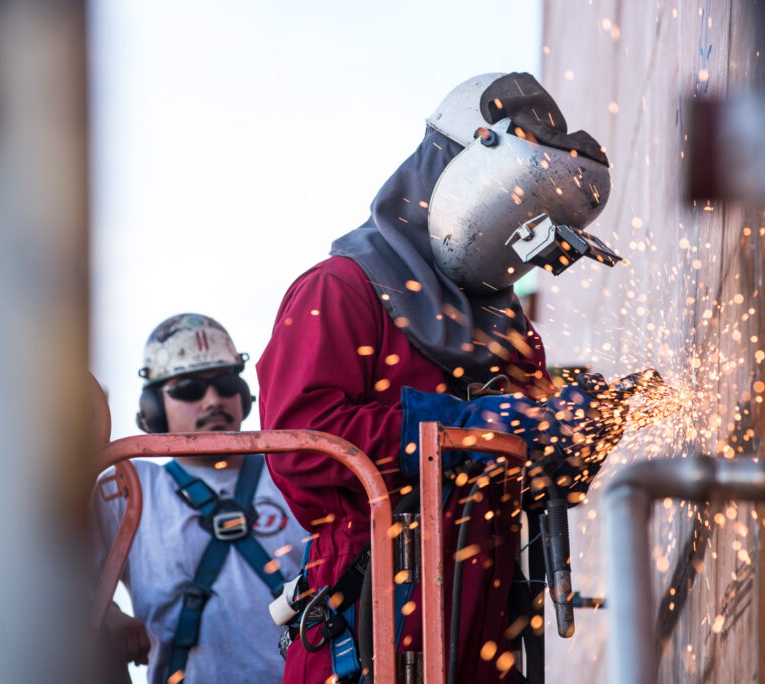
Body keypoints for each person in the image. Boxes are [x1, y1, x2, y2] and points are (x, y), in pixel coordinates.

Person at [257, 73, 630, 683]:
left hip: (483, 631)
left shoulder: (509, 335)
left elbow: (524, 461)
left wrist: (578, 434)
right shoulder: (342, 291)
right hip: (370, 624)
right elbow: (300, 443)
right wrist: (458, 430)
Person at [90, 313, 306, 684]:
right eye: (189, 389)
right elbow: (59, 574)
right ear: (153, 408)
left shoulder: (293, 469)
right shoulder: (128, 489)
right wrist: (109, 614)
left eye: (224, 384)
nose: (212, 401)